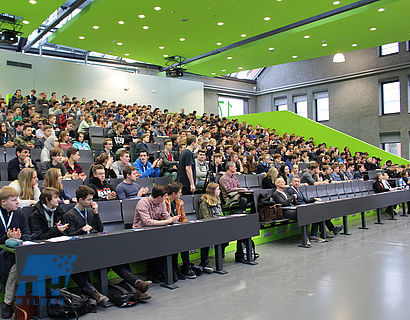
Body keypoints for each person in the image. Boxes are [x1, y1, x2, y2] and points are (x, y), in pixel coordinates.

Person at [63, 185, 151, 305]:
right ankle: (98, 294)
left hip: (95, 246)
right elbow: (70, 237)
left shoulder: (90, 211)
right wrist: (82, 230)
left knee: (118, 258)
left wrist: (96, 213)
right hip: (81, 250)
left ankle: (137, 284)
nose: (91, 202)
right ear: (80, 200)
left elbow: (100, 229)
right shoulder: (69, 215)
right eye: (89, 199)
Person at [0, 186, 31, 319]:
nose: (18, 202)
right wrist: (6, 238)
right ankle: (11, 304)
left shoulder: (19, 214)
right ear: (3, 202)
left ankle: (8, 303)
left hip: (17, 251)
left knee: (16, 265)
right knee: (14, 265)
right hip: (2, 252)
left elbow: (27, 234)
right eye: (14, 200)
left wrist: (19, 238)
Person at [165, 182, 196, 279]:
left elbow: (183, 218)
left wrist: (185, 226)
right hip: (167, 230)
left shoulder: (179, 202)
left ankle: (186, 267)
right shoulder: (164, 202)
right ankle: (174, 269)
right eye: (180, 192)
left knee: (185, 241)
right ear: (174, 194)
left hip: (178, 229)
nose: (181, 194)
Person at [197, 183, 228, 273]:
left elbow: (220, 214)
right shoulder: (204, 202)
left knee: (228, 233)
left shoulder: (218, 200)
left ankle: (220, 253)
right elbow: (205, 217)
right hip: (207, 226)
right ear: (212, 191)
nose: (220, 191)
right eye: (218, 189)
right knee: (206, 238)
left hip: (218, 225)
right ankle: (204, 262)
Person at [285, 177, 325, 243]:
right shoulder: (290, 190)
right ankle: (306, 238)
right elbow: (295, 202)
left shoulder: (299, 191)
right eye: (295, 181)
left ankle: (313, 235)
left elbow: (306, 200)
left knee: (317, 215)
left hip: (304, 207)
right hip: (298, 209)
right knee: (307, 217)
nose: (297, 183)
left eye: (298, 181)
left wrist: (314, 199)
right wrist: (303, 204)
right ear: (292, 182)